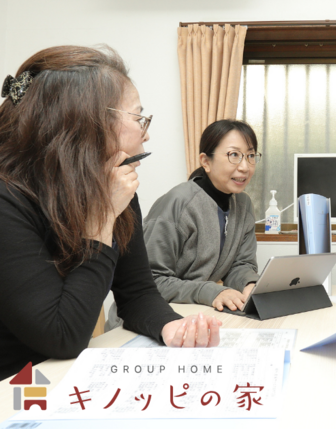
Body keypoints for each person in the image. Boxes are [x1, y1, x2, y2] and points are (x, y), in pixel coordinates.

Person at [0, 46, 222, 381]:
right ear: (87, 124)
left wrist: (171, 326)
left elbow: (137, 293)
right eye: (138, 117)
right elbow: (61, 335)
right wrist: (102, 220)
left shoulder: (112, 186)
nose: (146, 132)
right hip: (16, 386)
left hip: (63, 375)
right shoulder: (8, 200)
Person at [107, 120, 261, 328]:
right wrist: (211, 291)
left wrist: (249, 284)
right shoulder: (177, 203)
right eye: (234, 155)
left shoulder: (244, 205)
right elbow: (149, 281)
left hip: (191, 316)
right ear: (205, 161)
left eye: (250, 156)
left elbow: (241, 264)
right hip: (141, 322)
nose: (244, 166)